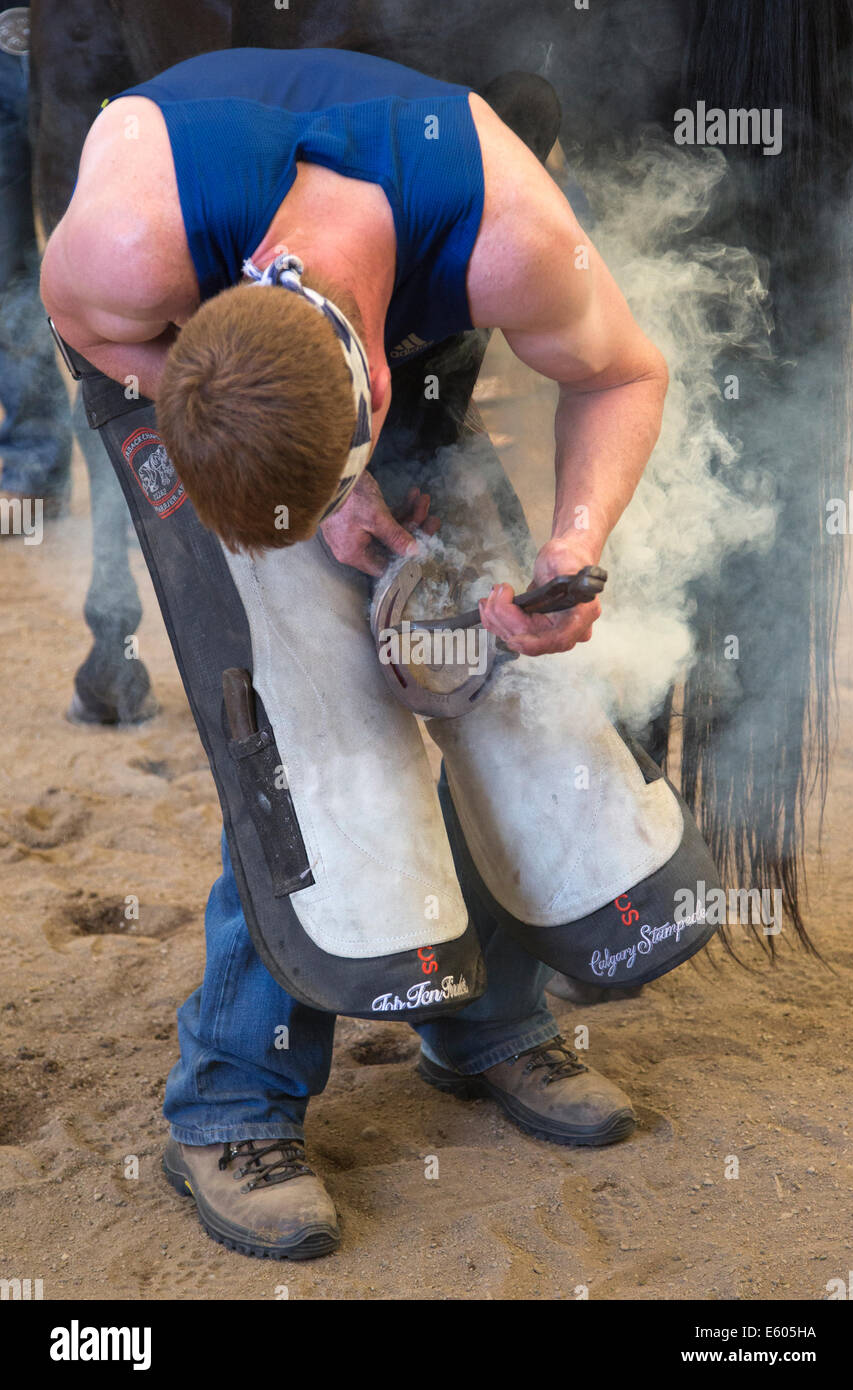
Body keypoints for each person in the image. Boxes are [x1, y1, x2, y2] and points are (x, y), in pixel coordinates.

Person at [41, 48, 669, 1261]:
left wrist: (571, 548)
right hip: (171, 355)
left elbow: (623, 371)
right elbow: (84, 322)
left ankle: (483, 1019)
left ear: (376, 381)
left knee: (468, 654)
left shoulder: (507, 240)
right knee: (306, 705)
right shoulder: (127, 247)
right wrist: (294, 499)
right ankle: (232, 1100)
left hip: (399, 296)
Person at [0, 4, 71, 527]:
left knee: (139, 256)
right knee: (7, 272)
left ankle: (166, 480)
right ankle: (34, 474)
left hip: (91, 29)